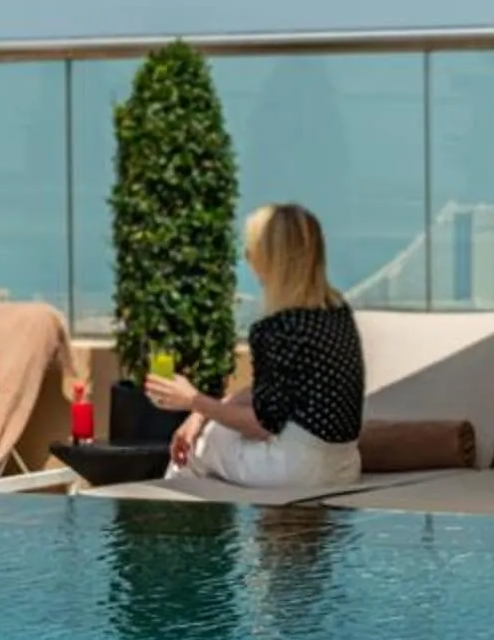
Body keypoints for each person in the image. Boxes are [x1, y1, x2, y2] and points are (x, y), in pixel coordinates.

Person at [147, 203, 366, 489]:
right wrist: (200, 414)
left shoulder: (276, 328)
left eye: (252, 250)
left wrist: (193, 400)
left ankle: (168, 513)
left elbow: (262, 424)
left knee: (200, 445)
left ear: (271, 258)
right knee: (213, 429)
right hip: (344, 466)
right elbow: (279, 388)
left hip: (296, 471)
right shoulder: (336, 313)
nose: (247, 257)